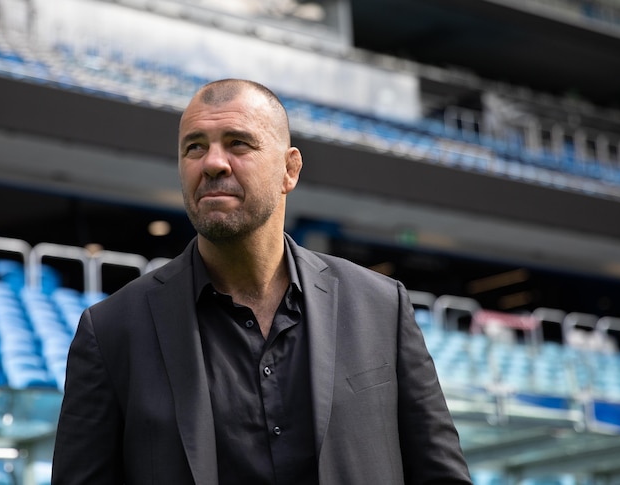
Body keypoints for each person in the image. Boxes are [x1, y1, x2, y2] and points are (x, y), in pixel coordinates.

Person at [52, 79, 472, 484]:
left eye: (238, 143)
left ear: (289, 170)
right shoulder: (110, 333)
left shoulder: (381, 307)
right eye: (194, 147)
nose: (213, 163)